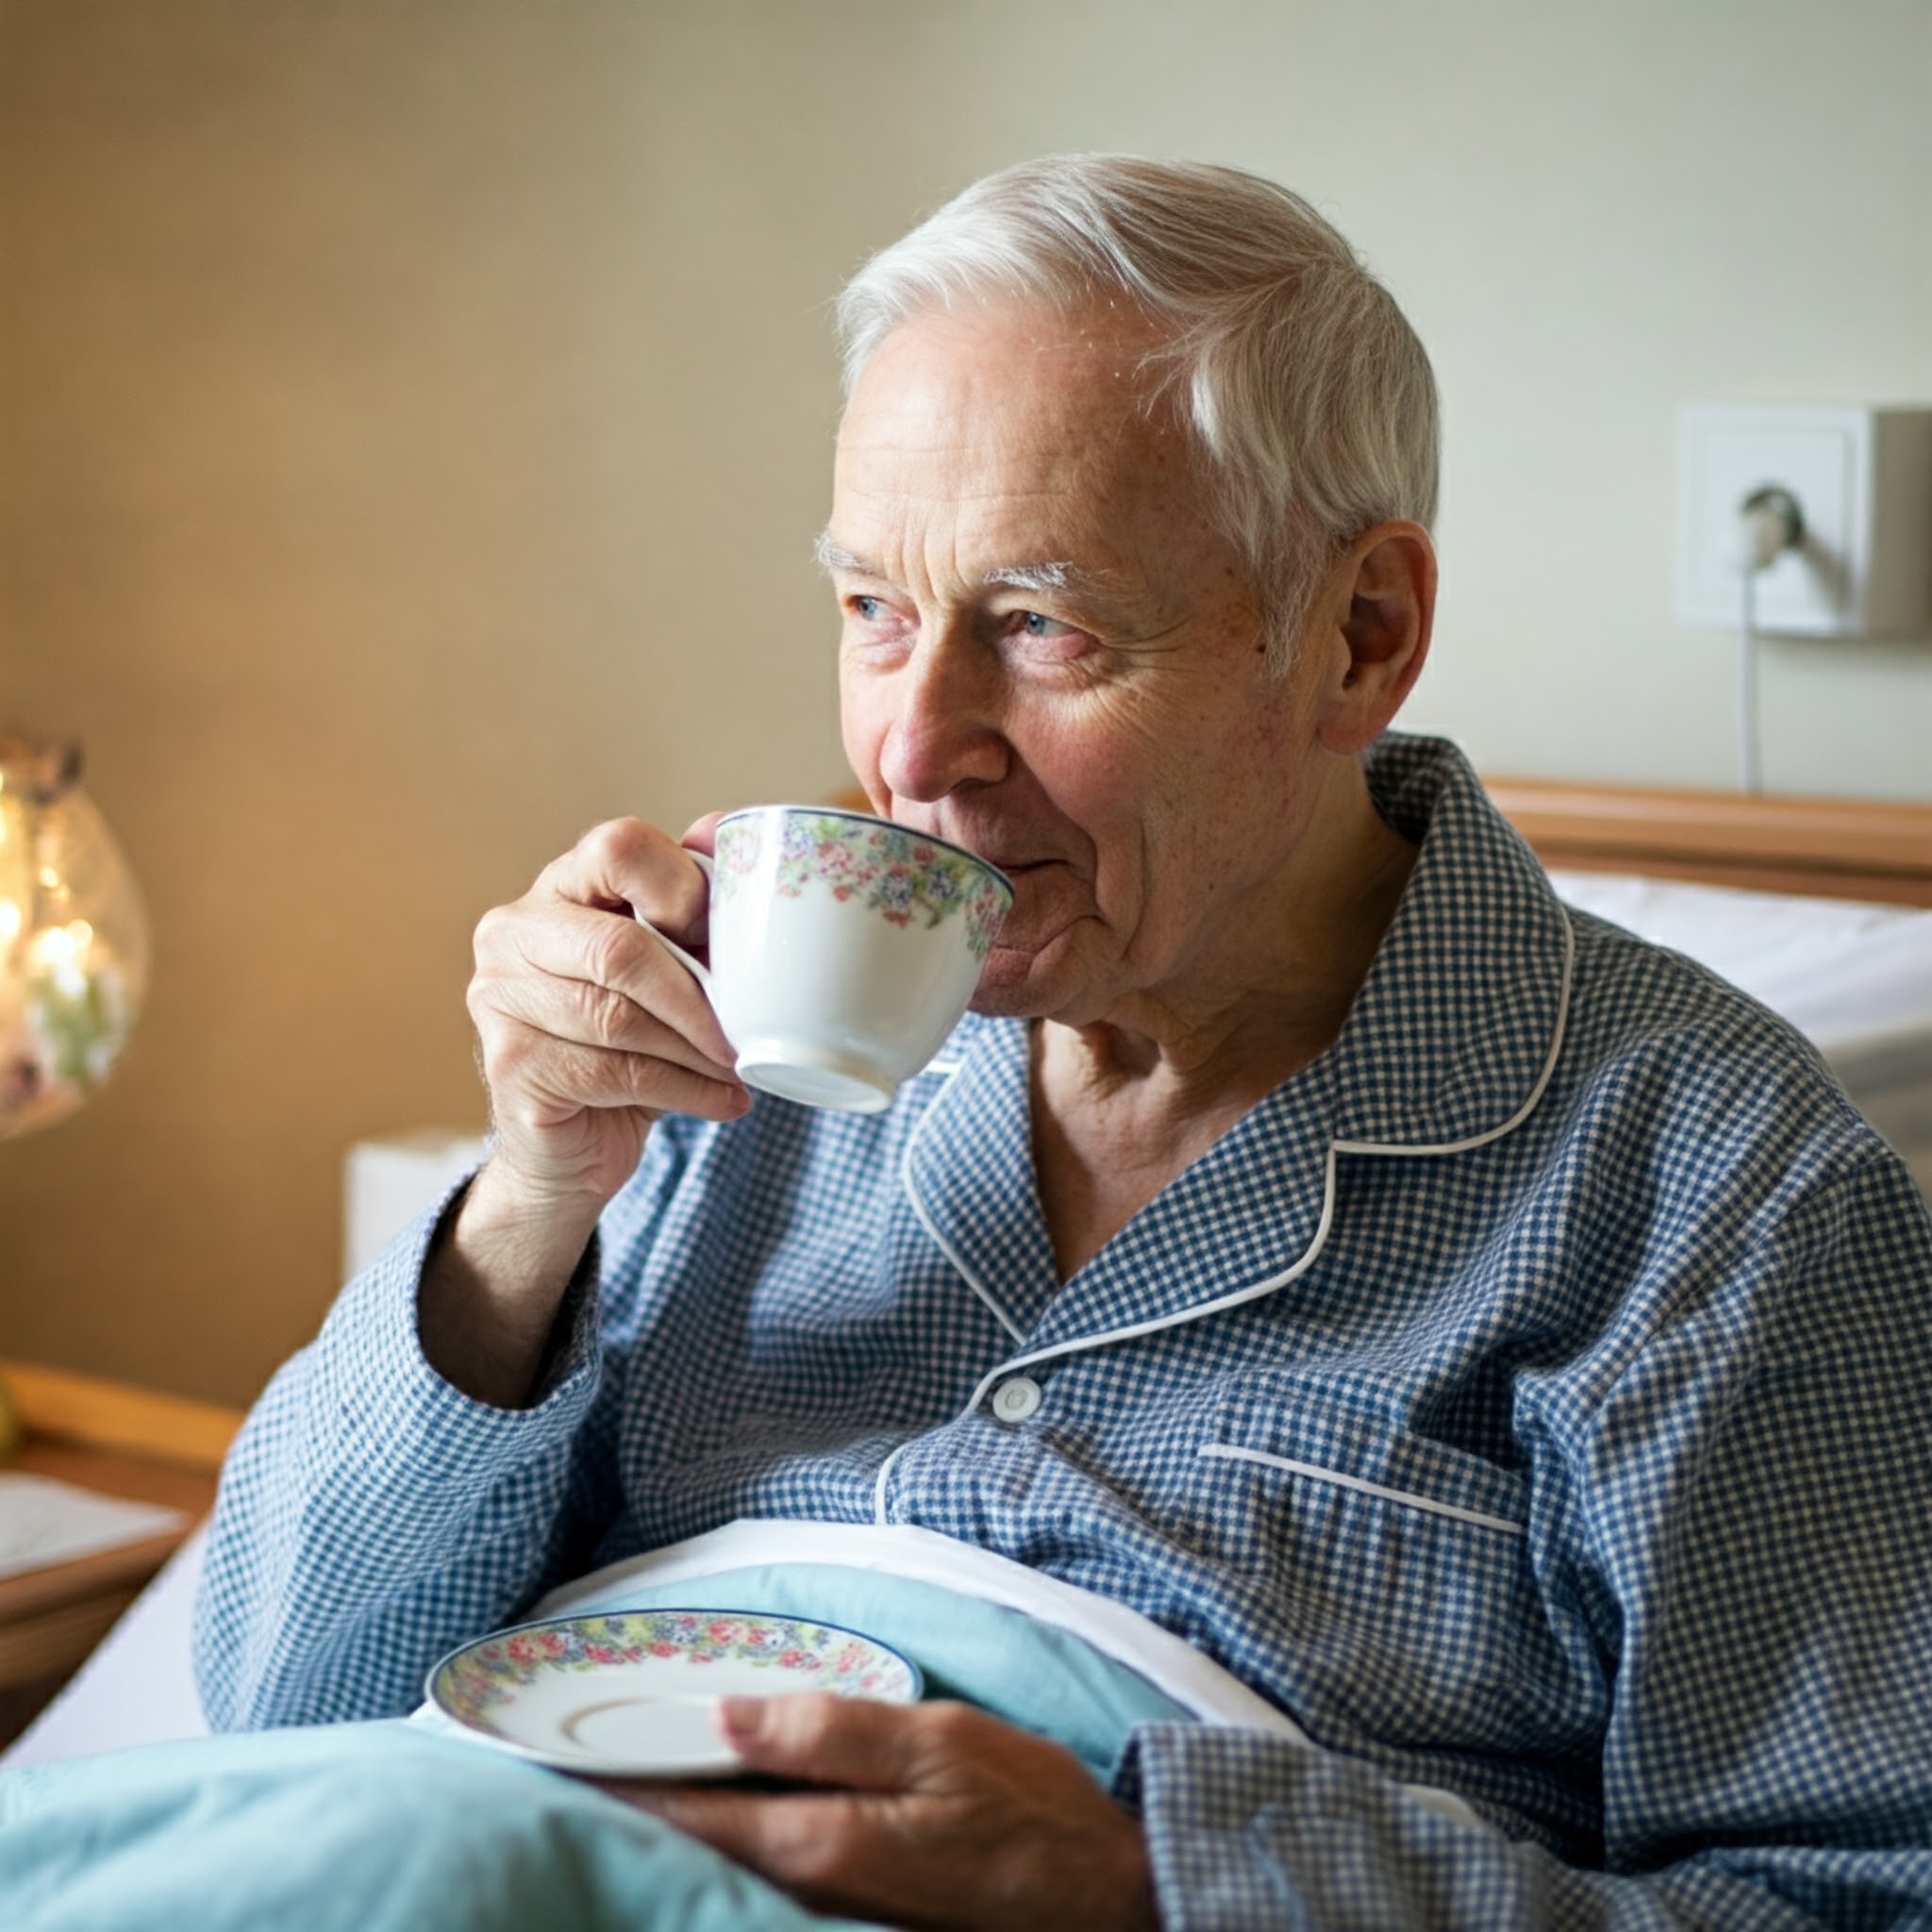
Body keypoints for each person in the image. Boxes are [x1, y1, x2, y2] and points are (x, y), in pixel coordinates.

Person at [194, 157, 1932, 1927]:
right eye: (873, 608)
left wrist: (1156, 1876)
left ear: (1362, 637)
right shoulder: (729, 1049)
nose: (914, 748)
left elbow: (1862, 1896)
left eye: (1040, 624)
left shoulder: (1721, 1203)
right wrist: (528, 1203)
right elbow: (279, 1698)